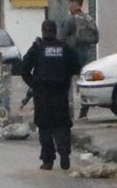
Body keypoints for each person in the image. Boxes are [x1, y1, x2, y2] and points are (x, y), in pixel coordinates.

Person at [18, 20, 82, 171]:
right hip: (60, 94)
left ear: (42, 31)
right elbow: (76, 67)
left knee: (45, 126)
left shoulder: (37, 48)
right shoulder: (64, 48)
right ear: (55, 31)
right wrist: (65, 79)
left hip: (42, 94)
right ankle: (64, 154)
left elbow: (24, 69)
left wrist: (34, 84)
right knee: (62, 125)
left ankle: (48, 160)